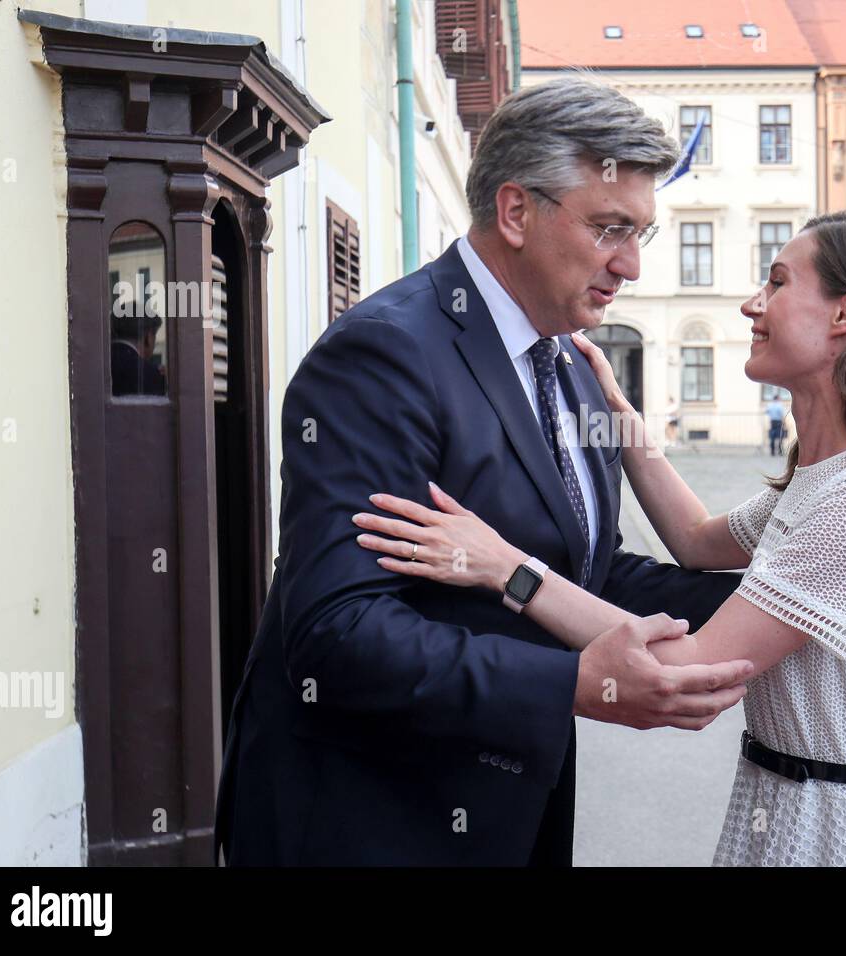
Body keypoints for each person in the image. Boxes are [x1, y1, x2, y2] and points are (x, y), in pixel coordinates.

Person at [214, 78, 753, 867]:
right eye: (610, 229)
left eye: (643, 232)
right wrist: (570, 681)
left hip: (509, 810)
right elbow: (338, 631)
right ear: (515, 212)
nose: (631, 264)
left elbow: (582, 569)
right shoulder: (385, 355)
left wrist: (780, 601)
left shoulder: (569, 359)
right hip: (375, 821)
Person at [356, 209, 846, 866]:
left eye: (777, 283)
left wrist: (507, 569)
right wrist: (625, 424)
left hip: (843, 830)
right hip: (785, 801)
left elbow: (689, 668)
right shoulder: (824, 475)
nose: (753, 304)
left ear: (845, 315)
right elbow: (695, 540)